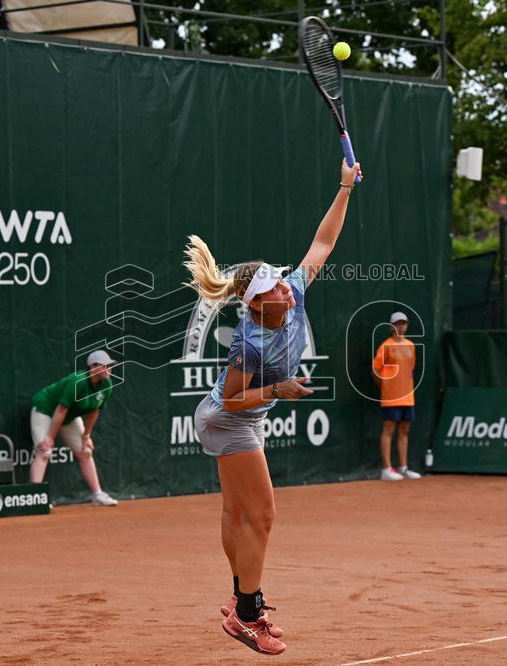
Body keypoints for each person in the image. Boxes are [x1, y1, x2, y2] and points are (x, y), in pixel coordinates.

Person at [184, 159, 363, 655]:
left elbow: (322, 244)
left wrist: (344, 187)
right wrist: (280, 391)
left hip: (240, 416)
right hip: (230, 417)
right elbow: (237, 397)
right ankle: (246, 613)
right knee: (261, 515)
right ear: (257, 304)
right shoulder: (251, 339)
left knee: (237, 510)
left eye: (283, 282)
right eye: (275, 289)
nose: (287, 287)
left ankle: (240, 594)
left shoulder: (292, 294)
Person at [28, 350, 118, 507]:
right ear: (93, 367)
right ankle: (36, 499)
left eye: (110, 366)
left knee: (85, 451)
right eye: (106, 366)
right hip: (46, 410)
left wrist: (86, 435)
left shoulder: (107, 384)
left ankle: (97, 494)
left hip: (68, 416)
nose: (109, 369)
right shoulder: (77, 382)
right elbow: (60, 410)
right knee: (44, 451)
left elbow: (94, 410)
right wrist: (50, 437)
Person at [371, 312, 421, 481]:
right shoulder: (386, 346)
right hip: (391, 397)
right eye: (397, 324)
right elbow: (375, 369)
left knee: (404, 430)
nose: (401, 326)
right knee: (388, 430)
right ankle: (386, 469)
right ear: (392, 327)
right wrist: (385, 386)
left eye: (403, 323)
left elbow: (410, 369)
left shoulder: (410, 346)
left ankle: (403, 467)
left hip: (408, 397)